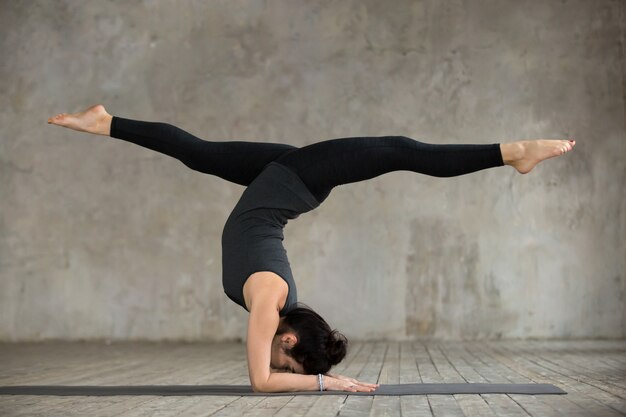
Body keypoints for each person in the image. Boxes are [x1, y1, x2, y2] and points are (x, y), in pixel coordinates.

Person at [48, 104, 575, 393]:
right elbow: (260, 382)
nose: (274, 361)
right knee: (401, 151)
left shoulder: (275, 304)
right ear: (291, 336)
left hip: (282, 184)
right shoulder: (267, 304)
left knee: (199, 153)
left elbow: (266, 373)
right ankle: (513, 153)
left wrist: (314, 374)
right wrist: (326, 384)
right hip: (297, 180)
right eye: (287, 359)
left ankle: (106, 122)